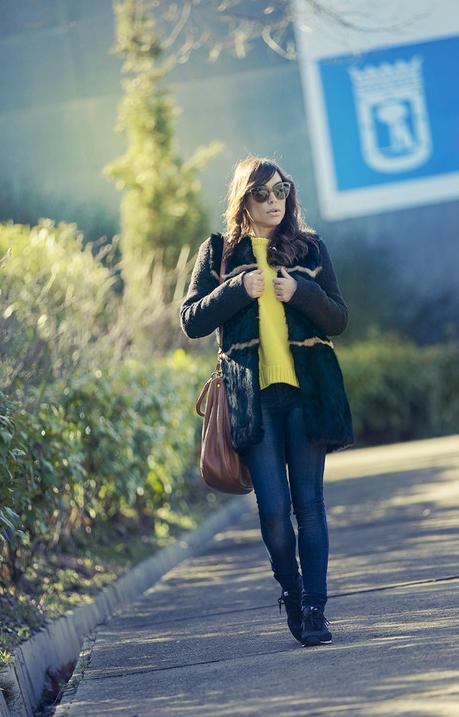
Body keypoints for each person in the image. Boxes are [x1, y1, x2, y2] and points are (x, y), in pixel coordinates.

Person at [180, 155, 354, 647]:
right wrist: (239, 287)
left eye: (281, 191)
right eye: (263, 193)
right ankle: (293, 592)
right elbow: (191, 319)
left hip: (306, 395)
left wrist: (300, 291)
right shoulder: (217, 253)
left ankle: (317, 610)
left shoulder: (310, 247)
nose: (274, 201)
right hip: (251, 399)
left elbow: (338, 318)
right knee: (274, 512)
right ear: (243, 199)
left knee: (310, 505)